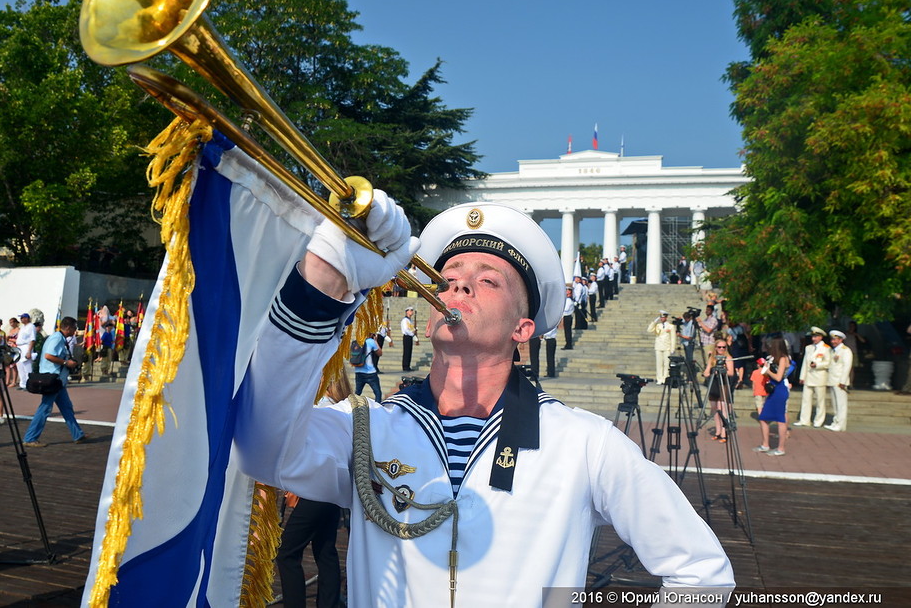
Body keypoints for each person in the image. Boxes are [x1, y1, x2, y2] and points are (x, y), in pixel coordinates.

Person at [235, 196, 734, 605]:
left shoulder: (584, 443)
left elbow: (703, 575)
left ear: (523, 329)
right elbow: (261, 447)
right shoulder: (367, 428)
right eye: (448, 275)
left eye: (488, 279)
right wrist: (321, 282)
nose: (459, 282)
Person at [276, 372, 352, 608]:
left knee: (287, 553)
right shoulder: (346, 409)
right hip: (335, 490)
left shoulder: (318, 408)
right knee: (325, 550)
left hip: (315, 489)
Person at [22, 316, 87, 448]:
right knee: (45, 408)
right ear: (68, 327)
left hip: (58, 380)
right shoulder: (57, 338)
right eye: (74, 328)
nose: (75, 331)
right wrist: (66, 362)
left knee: (66, 407)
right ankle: (30, 437)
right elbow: (49, 355)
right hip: (52, 379)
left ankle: (78, 434)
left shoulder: (59, 338)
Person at [753, 339, 792, 456]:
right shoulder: (773, 358)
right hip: (773, 389)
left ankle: (781, 448)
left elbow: (779, 377)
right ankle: (765, 444)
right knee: (763, 417)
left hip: (780, 389)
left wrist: (768, 371)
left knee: (780, 419)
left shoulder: (783, 358)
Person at [794, 326, 831, 428]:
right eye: (813, 336)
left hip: (820, 377)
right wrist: (802, 376)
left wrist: (818, 365)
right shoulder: (808, 348)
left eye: (816, 336)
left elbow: (828, 363)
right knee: (806, 400)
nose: (813, 338)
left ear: (821, 337)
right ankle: (804, 420)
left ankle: (818, 421)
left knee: (820, 401)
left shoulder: (826, 348)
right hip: (809, 377)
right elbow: (805, 363)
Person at [703, 339, 735, 443]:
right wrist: (712, 370)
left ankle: (723, 432)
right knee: (715, 408)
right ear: (715, 348)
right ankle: (717, 430)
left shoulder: (728, 358)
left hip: (724, 384)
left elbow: (731, 373)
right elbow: (706, 372)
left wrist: (723, 369)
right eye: (719, 347)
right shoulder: (712, 358)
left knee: (723, 408)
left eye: (723, 347)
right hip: (714, 384)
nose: (721, 349)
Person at [825, 330, 853, 431]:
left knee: (841, 404)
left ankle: (841, 425)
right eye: (832, 339)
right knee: (835, 404)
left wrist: (843, 381)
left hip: (840, 382)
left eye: (835, 339)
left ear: (841, 340)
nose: (833, 341)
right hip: (832, 380)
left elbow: (847, 367)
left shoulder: (845, 350)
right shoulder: (833, 351)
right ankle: (835, 422)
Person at [647, 310, 677, 385]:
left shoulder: (671, 326)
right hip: (658, 346)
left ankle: (665, 378)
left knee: (666, 364)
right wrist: (654, 322)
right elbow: (649, 330)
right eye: (660, 317)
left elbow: (673, 338)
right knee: (659, 364)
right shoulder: (658, 325)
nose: (661, 319)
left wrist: (672, 348)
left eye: (663, 317)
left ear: (666, 318)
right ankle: (659, 378)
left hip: (667, 346)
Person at [352, 333, 382, 402]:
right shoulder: (370, 341)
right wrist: (375, 341)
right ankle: (378, 408)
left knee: (358, 393)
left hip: (358, 371)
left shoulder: (357, 341)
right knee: (377, 393)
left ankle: (354, 407)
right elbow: (380, 353)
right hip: (370, 372)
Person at [15, 312, 36, 389]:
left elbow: (32, 339)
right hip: (19, 347)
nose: (21, 319)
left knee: (27, 366)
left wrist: (29, 351)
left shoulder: (31, 326)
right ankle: (23, 383)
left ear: (27, 318)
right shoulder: (23, 327)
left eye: (23, 318)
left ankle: (29, 384)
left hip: (26, 346)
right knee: (20, 366)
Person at [400, 306, 416, 372]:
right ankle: (405, 366)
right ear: (407, 311)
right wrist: (412, 334)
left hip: (410, 336)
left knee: (409, 351)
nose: (412, 312)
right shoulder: (405, 320)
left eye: (412, 310)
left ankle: (408, 365)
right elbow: (406, 330)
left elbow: (411, 328)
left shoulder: (409, 320)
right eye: (410, 310)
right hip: (407, 336)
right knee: (406, 351)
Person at [561, 284, 574, 350]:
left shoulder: (569, 301)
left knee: (568, 331)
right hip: (566, 316)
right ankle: (568, 343)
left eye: (567, 291)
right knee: (567, 331)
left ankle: (568, 344)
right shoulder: (567, 300)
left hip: (568, 317)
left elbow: (566, 309)